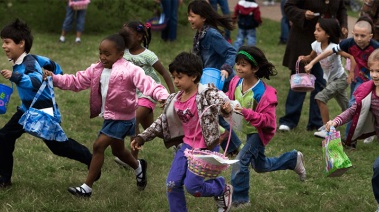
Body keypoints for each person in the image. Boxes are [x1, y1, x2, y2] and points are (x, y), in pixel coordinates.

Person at [44, 33, 170, 197]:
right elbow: (76, 81)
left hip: (124, 119)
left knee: (98, 146)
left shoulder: (130, 70)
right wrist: (54, 79)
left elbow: (150, 85)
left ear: (120, 54)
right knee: (118, 151)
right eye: (100, 53)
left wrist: (164, 97)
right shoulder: (97, 69)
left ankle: (87, 188)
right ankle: (139, 166)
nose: (102, 57)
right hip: (111, 117)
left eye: (107, 54)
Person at [0, 18, 94, 189]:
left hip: (42, 112)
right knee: (5, 135)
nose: (3, 46)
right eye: (3, 42)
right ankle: (3, 178)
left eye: (7, 42)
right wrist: (57, 72)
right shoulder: (30, 58)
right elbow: (51, 63)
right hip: (27, 110)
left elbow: (35, 81)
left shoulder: (28, 64)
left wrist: (15, 77)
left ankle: (91, 160)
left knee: (59, 147)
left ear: (21, 43)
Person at [131, 52, 233, 212]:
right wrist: (142, 137)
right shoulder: (174, 99)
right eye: (174, 77)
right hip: (186, 148)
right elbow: (161, 122)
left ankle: (221, 188)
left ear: (193, 76)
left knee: (193, 187)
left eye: (180, 77)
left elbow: (221, 104)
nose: (176, 81)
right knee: (172, 184)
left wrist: (225, 109)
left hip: (205, 149)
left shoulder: (206, 93)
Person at [226, 46, 306, 209]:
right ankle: (292, 159)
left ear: (254, 68)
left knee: (239, 162)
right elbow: (230, 97)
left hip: (259, 132)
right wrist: (224, 103)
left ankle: (241, 200)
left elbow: (268, 121)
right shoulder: (236, 81)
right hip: (248, 129)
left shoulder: (263, 94)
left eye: (243, 65)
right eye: (237, 64)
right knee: (260, 166)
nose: (238, 67)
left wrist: (247, 113)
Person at [326, 49, 379, 212]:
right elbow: (353, 110)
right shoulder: (369, 91)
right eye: (372, 70)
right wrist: (336, 121)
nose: (374, 74)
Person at [305, 18, 379, 147]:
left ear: (370, 36)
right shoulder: (349, 43)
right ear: (353, 33)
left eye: (363, 36)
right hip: (358, 81)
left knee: (365, 106)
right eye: (356, 35)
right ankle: (351, 139)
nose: (359, 39)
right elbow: (328, 52)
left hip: (373, 81)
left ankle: (362, 135)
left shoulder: (376, 47)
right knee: (354, 106)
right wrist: (312, 62)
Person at [278, 0, 349, 132]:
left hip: (327, 43)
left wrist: (343, 25)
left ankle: (316, 122)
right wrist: (303, 13)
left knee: (321, 84)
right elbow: (288, 6)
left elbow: (341, 9)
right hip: (303, 39)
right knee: (300, 80)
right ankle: (289, 120)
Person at [113, 20, 175, 166]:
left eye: (128, 36)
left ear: (140, 37)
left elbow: (165, 74)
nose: (125, 39)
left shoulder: (147, 55)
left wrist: (172, 97)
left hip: (149, 93)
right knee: (151, 129)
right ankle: (179, 141)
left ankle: (132, 161)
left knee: (133, 120)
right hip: (133, 95)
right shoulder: (124, 52)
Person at [188, 0, 242, 156]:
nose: (190, 19)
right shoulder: (200, 34)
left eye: (192, 16)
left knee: (210, 112)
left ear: (203, 17)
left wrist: (226, 69)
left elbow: (231, 52)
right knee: (210, 112)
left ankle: (230, 144)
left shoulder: (211, 34)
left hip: (219, 80)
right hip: (207, 80)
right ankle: (230, 146)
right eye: (189, 16)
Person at [298, 18, 351, 139]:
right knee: (348, 109)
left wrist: (352, 72)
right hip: (331, 81)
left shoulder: (334, 47)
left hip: (341, 79)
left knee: (320, 98)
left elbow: (350, 56)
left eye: (319, 30)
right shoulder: (316, 45)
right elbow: (311, 57)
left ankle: (327, 129)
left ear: (328, 34)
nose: (315, 32)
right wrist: (304, 59)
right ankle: (367, 126)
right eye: (315, 30)